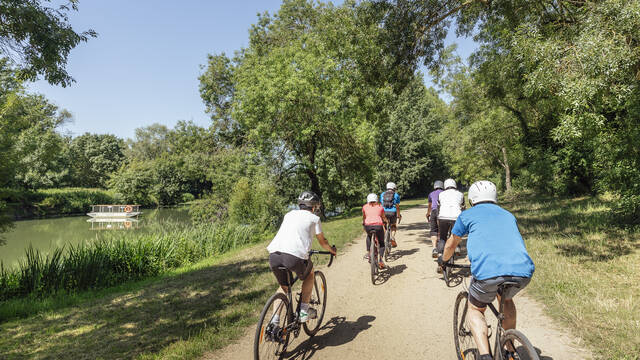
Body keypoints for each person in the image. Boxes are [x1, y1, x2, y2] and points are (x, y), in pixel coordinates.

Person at [438, 180, 535, 360]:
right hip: (522, 270)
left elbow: (451, 244)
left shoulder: (467, 215)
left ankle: (485, 356)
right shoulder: (508, 215)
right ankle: (509, 349)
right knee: (506, 299)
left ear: (472, 199)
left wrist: (443, 261)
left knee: (475, 309)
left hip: (488, 273)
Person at [266, 191, 337, 323]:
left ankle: (274, 322)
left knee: (284, 286)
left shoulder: (289, 214)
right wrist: (332, 250)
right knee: (310, 274)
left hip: (274, 255)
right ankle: (303, 311)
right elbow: (323, 242)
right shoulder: (314, 219)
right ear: (314, 206)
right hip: (293, 257)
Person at [434, 178, 464, 260]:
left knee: (443, 237)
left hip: (443, 217)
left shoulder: (441, 194)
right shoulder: (460, 194)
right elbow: (463, 208)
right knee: (455, 235)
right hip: (456, 218)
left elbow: (438, 208)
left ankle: (440, 257)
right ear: (455, 185)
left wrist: (438, 218)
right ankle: (457, 247)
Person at [362, 193, 388, 269]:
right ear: (376, 199)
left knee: (369, 237)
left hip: (368, 226)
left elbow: (364, 217)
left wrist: (364, 223)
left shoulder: (364, 207)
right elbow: (383, 217)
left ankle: (369, 253)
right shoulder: (380, 207)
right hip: (378, 226)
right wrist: (386, 221)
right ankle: (380, 260)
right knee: (382, 243)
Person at [380, 182, 401, 247]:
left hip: (384, 212)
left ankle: (384, 236)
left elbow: (381, 205)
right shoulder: (396, 195)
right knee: (393, 226)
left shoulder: (382, 194)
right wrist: (398, 215)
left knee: (384, 224)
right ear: (394, 188)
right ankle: (392, 237)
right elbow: (397, 206)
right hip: (393, 212)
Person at [426, 180, 444, 250]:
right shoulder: (444, 193)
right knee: (444, 228)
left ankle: (434, 248)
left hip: (434, 211)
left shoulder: (431, 194)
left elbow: (430, 205)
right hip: (442, 211)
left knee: (433, 230)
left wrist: (428, 213)